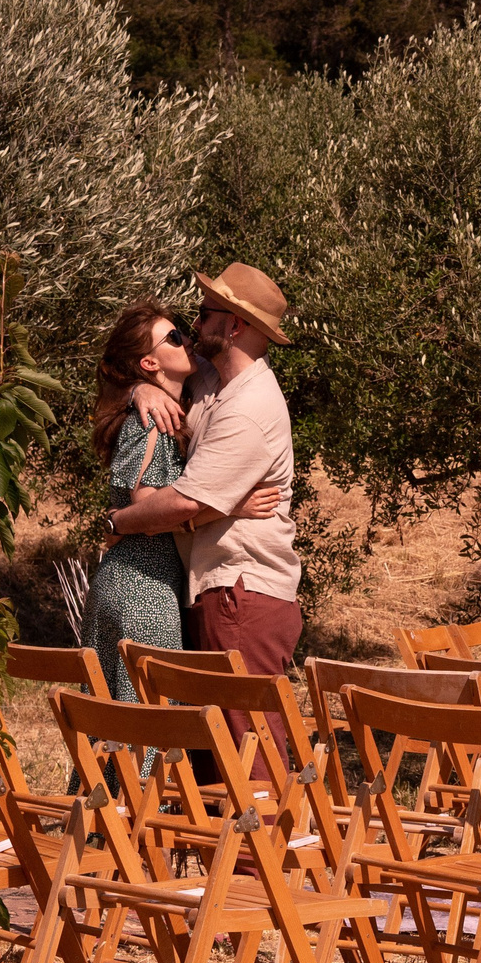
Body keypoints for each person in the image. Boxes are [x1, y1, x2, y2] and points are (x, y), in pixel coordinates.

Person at [107, 262, 302, 757]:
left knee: (250, 761)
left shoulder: (248, 408)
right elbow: (128, 367)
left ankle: (271, 838)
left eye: (202, 313)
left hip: (240, 594)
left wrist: (116, 522)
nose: (193, 325)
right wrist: (139, 388)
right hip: (213, 591)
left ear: (233, 325)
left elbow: (187, 500)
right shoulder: (211, 380)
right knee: (212, 761)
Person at [84, 303, 282, 702]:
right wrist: (226, 504)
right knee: (151, 729)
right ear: (150, 362)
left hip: (124, 583)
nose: (188, 337)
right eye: (174, 337)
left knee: (108, 724)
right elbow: (149, 507)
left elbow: (111, 369)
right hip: (146, 589)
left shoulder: (186, 393)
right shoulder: (152, 421)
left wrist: (138, 387)